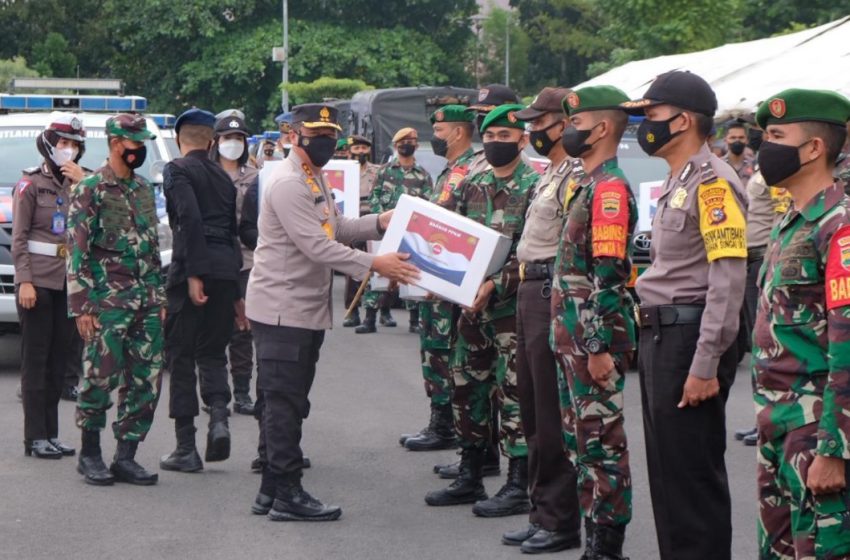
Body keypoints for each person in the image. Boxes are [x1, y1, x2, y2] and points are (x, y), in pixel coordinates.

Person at [245, 103, 418, 522]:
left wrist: (380, 221)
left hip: (301, 310)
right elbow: (317, 247)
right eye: (316, 133)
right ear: (293, 135)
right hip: (282, 311)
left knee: (287, 400)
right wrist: (375, 264)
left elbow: (335, 229)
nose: (326, 140)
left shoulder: (311, 177)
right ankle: (287, 493)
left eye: (330, 133)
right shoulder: (288, 183)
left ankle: (270, 490)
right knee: (284, 403)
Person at [623, 71, 747, 560]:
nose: (644, 126)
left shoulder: (715, 182)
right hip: (663, 333)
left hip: (689, 337)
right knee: (669, 476)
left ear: (684, 120)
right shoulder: (679, 178)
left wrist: (705, 363)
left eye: (651, 116)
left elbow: (728, 278)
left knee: (691, 479)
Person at [751, 88, 850, 559]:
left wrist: (834, 447)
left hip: (816, 428)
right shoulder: (793, 220)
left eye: (775, 136)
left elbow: (847, 344)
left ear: (813, 148)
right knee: (778, 547)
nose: (763, 147)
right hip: (778, 421)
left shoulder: (840, 226)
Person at [426, 104, 538, 517]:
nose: (495, 144)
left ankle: (518, 482)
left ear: (521, 141)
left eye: (505, 138)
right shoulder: (472, 182)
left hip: (512, 311)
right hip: (472, 310)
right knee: (466, 385)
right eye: (489, 138)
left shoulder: (535, 186)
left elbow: (534, 253)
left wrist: (496, 283)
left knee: (512, 395)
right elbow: (447, 234)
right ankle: (471, 472)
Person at [549, 86, 637, 559]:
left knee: (602, 444)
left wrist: (599, 345)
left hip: (591, 342)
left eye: (576, 124)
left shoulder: (608, 190)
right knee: (580, 444)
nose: (568, 132)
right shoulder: (585, 182)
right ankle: (593, 539)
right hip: (572, 338)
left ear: (601, 129)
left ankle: (607, 547)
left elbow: (609, 273)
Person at [500, 87, 584, 553]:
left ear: (563, 123)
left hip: (552, 289)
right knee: (532, 409)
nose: (531, 131)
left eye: (539, 123)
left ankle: (559, 520)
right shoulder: (550, 172)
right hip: (529, 287)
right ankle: (541, 511)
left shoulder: (574, 175)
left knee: (551, 415)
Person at [66, 113, 165, 486]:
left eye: (142, 143)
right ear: (114, 143)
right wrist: (82, 306)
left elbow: (152, 247)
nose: (139, 149)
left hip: (146, 301)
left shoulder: (142, 189)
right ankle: (89, 452)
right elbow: (76, 252)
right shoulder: (89, 188)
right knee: (99, 377)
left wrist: (159, 298)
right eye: (133, 143)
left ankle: (127, 455)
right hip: (106, 303)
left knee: (146, 380)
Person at [159, 109, 245, 473]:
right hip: (226, 272)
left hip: (192, 272)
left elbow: (189, 220)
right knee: (212, 352)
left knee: (180, 356)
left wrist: (194, 274)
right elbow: (231, 232)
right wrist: (238, 295)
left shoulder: (177, 170)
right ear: (211, 142)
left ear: (180, 140)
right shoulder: (225, 178)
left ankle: (186, 448)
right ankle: (220, 420)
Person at [400, 106, 477, 453]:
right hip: (435, 283)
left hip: (451, 284)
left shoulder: (469, 171)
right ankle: (441, 422)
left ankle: (452, 428)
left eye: (440, 130)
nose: (435, 137)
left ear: (458, 133)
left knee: (446, 355)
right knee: (433, 352)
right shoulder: (448, 172)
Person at [13, 114, 86, 459]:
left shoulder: (80, 185)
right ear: (49, 145)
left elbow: (91, 228)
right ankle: (35, 437)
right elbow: (19, 239)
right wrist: (24, 281)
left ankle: (52, 434)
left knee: (59, 363)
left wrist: (82, 187)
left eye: (74, 145)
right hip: (37, 283)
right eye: (63, 144)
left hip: (67, 284)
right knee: (36, 361)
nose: (68, 150)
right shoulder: (30, 184)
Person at [356, 127, 433, 335]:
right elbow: (374, 197)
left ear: (416, 146)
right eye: (403, 142)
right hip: (385, 231)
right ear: (396, 145)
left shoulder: (423, 175)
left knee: (410, 272)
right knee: (378, 272)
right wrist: (384, 221)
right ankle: (370, 318)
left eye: (412, 141)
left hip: (412, 233)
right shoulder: (384, 171)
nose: (407, 145)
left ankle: (414, 320)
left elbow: (428, 205)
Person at [213, 112, 258, 416]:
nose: (233, 143)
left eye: (239, 138)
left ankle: (242, 392)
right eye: (228, 138)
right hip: (215, 260)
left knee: (243, 327)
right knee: (214, 328)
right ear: (216, 142)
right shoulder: (206, 172)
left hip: (247, 260)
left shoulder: (256, 176)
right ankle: (215, 392)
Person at [342, 135, 383, 328]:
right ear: (350, 151)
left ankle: (377, 311)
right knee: (353, 267)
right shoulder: (345, 172)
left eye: (363, 148)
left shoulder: (378, 171)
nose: (360, 152)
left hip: (374, 222)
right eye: (356, 148)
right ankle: (352, 309)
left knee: (376, 267)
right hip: (352, 222)